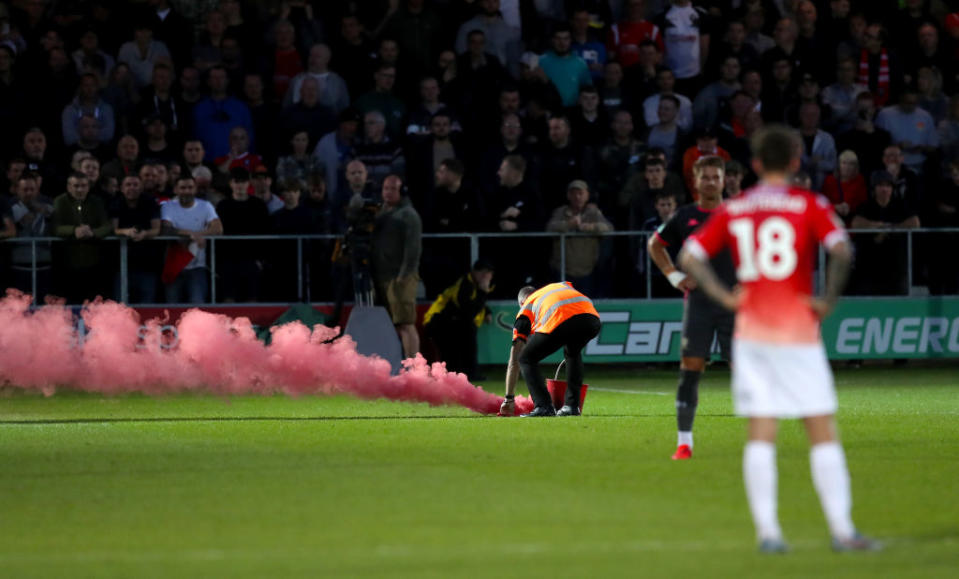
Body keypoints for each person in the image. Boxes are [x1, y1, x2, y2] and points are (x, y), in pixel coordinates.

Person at [678, 124, 879, 553]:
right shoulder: (809, 203)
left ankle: (769, 534)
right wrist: (826, 298)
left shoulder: (736, 208)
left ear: (753, 164)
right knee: (820, 428)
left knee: (761, 431)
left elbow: (689, 256)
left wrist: (721, 297)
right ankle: (843, 531)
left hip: (752, 334)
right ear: (794, 162)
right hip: (798, 334)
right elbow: (842, 249)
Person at [648, 156, 736, 460]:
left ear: (724, 180)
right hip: (698, 306)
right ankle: (684, 443)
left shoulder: (738, 215)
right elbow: (654, 245)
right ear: (695, 182)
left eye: (716, 176)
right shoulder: (684, 216)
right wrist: (674, 276)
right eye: (705, 177)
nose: (711, 182)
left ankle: (760, 442)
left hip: (733, 304)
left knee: (746, 372)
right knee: (690, 371)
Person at [499, 282, 602, 417]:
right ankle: (571, 406)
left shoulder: (527, 307)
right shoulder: (557, 287)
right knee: (573, 351)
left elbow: (514, 361)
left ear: (522, 302)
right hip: (591, 319)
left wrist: (509, 399)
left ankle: (543, 406)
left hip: (561, 318)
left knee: (525, 358)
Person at [371, 175, 422, 358]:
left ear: (402, 191)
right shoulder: (381, 213)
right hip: (383, 276)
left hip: (399, 277)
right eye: (385, 188)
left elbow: (413, 248)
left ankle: (414, 367)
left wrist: (404, 275)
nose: (387, 193)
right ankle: (402, 363)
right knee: (395, 324)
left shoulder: (408, 215)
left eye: (392, 189)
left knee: (406, 323)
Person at [423, 259, 494, 381]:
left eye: (488, 274)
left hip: (452, 322)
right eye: (482, 273)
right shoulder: (464, 285)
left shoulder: (473, 284)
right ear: (474, 272)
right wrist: (483, 292)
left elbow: (475, 303)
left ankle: (467, 374)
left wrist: (487, 311)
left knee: (467, 334)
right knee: (459, 347)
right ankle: (467, 375)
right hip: (437, 322)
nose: (486, 277)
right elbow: (468, 311)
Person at [161, 175, 223, 303]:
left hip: (198, 266)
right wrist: (191, 234)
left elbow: (218, 229)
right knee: (172, 308)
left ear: (195, 189)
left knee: (198, 307)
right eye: (183, 188)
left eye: (190, 187)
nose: (187, 191)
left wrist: (198, 234)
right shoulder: (168, 206)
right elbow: (166, 229)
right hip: (174, 265)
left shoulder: (205, 206)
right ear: (176, 190)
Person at [546, 180, 614, 295]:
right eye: (573, 193)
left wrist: (591, 227)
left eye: (580, 193)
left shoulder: (593, 213)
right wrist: (569, 224)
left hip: (588, 271)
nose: (577, 197)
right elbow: (550, 228)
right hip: (563, 271)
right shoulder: (561, 212)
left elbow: (608, 229)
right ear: (568, 195)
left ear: (587, 195)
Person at [111, 174, 162, 303]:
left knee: (147, 306)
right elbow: (113, 229)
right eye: (128, 185)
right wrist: (126, 232)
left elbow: (157, 229)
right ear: (121, 188)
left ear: (141, 187)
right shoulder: (116, 203)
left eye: (135, 185)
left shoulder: (150, 202)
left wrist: (145, 234)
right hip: (122, 265)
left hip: (147, 265)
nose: (132, 188)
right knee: (121, 307)